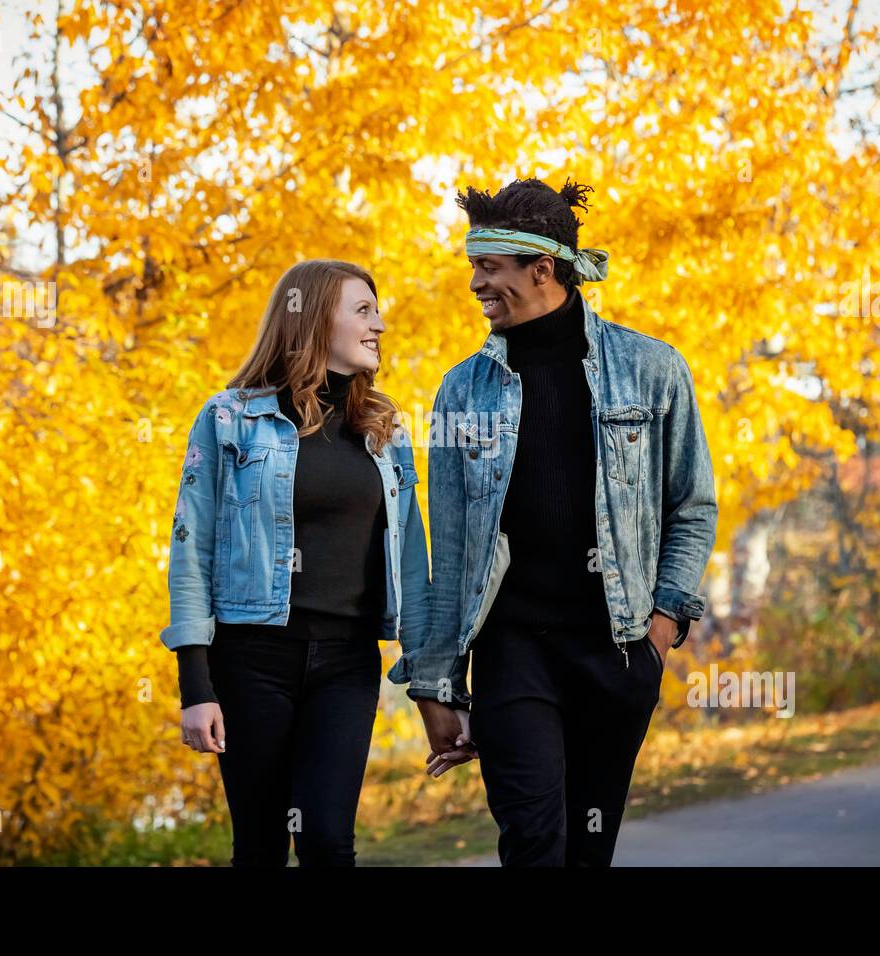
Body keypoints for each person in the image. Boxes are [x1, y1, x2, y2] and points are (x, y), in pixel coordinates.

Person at [389, 178, 718, 866]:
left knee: (587, 850)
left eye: (489, 267)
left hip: (618, 651)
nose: (474, 282)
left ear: (542, 269)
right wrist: (439, 685)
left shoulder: (652, 370)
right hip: (516, 654)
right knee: (534, 842)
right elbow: (448, 549)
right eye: (473, 266)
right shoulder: (463, 388)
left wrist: (661, 628)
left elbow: (691, 506)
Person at [159, 258, 431, 866]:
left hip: (348, 663)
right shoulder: (228, 419)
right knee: (259, 847)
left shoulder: (384, 430)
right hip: (252, 659)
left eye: (376, 310)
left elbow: (412, 563)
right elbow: (191, 549)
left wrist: (432, 678)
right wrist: (195, 686)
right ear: (311, 321)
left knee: (328, 842)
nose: (379, 325)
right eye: (363, 311)